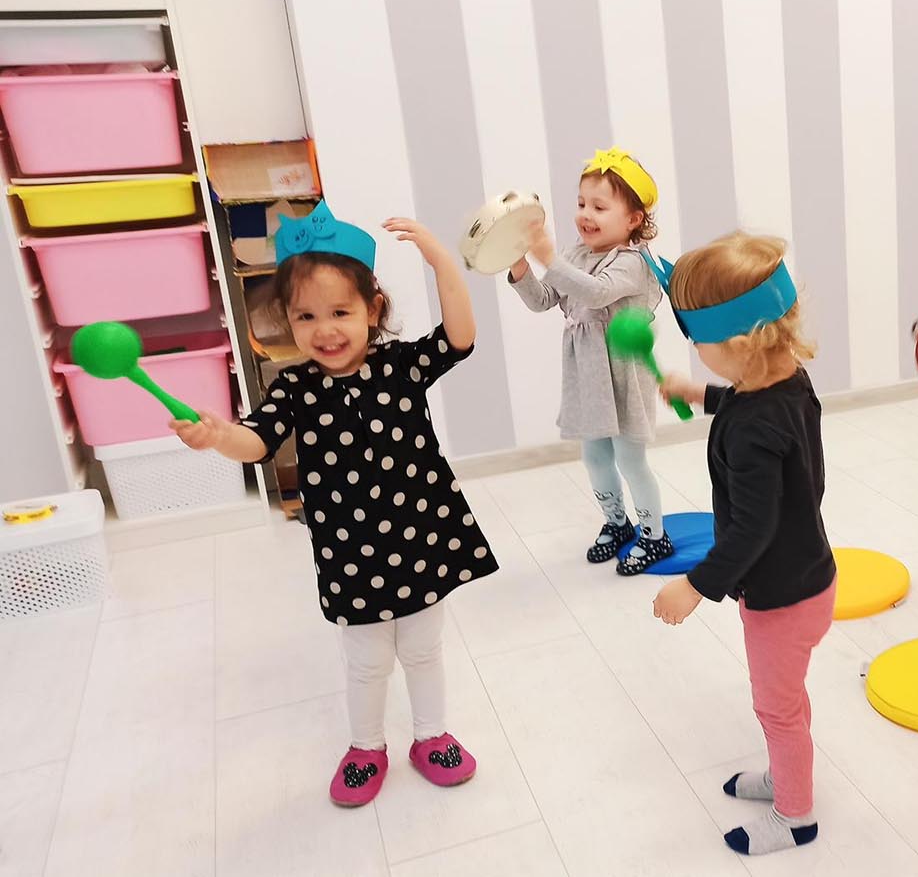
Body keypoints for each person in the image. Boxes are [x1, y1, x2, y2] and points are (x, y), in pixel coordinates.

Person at [172, 201, 498, 807]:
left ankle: (431, 736)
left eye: (341, 312)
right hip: (351, 553)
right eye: (306, 315)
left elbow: (460, 338)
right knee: (367, 659)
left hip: (422, 539)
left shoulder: (401, 366)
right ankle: (366, 747)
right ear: (287, 320)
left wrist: (441, 263)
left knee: (423, 649)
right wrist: (219, 436)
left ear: (373, 309)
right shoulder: (294, 387)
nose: (325, 330)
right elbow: (256, 442)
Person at [650, 232, 836, 857]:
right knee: (788, 700)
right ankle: (789, 774)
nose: (696, 352)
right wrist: (698, 394)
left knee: (776, 708)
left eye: (697, 342)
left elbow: (753, 529)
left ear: (737, 344)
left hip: (781, 598)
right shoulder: (788, 382)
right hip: (810, 574)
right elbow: (745, 404)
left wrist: (694, 585)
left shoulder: (754, 429)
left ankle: (795, 815)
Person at [507, 147, 674, 575]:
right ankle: (617, 523)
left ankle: (655, 536)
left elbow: (596, 292)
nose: (585, 214)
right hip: (587, 375)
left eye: (599, 207)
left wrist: (549, 258)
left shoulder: (633, 263)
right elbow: (544, 300)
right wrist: (521, 266)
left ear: (633, 219)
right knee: (595, 458)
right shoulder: (577, 254)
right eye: (582, 203)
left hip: (623, 375)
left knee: (630, 460)